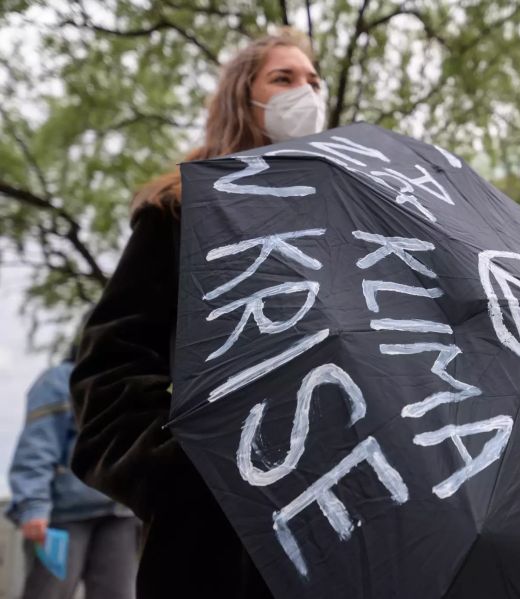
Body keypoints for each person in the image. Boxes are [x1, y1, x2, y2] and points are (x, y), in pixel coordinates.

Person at [69, 29, 327, 599]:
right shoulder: (181, 214)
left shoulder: (340, 224)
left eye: (313, 80)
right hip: (215, 555)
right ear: (244, 97)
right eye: (283, 78)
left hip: (335, 536)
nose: (305, 93)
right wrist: (191, 476)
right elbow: (106, 374)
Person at [7, 349, 139, 599]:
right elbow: (36, 447)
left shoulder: (128, 380)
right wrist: (33, 506)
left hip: (119, 513)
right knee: (49, 593)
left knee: (118, 593)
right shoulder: (58, 380)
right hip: (63, 516)